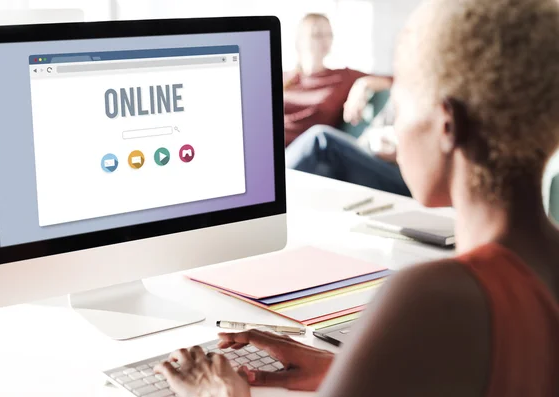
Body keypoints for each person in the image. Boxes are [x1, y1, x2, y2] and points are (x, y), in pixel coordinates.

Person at [155, 0, 559, 395]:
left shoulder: (435, 295)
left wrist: (218, 392)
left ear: (446, 125)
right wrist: (348, 370)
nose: (396, 129)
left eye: (399, 107)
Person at [283, 13, 392, 146]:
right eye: (317, 35)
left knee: (319, 135)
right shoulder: (283, 78)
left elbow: (394, 80)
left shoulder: (342, 78)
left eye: (329, 35)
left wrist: (362, 84)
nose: (325, 40)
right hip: (271, 147)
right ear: (300, 41)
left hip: (310, 148)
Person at [286, 99, 412, 196]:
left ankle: (273, 192)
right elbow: (369, 135)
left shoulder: (425, 99)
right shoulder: (401, 92)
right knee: (322, 171)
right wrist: (364, 83)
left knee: (321, 139)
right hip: (373, 153)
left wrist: (401, 152)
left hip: (407, 174)